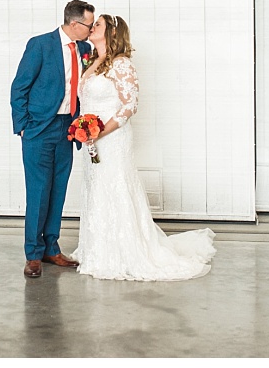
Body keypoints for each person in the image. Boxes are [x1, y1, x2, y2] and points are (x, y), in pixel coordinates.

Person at [71, 14, 216, 281]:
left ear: (112, 33)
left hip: (111, 139)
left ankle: (125, 252)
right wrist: (83, 130)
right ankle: (98, 250)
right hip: (90, 140)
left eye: (98, 25)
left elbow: (129, 106)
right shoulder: (93, 61)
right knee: (97, 187)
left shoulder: (121, 64)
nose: (92, 28)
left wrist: (99, 131)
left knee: (115, 186)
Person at [10, 0, 95, 278]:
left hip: (67, 129)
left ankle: (51, 248)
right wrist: (23, 126)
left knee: (58, 189)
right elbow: (19, 86)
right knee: (38, 191)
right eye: (89, 25)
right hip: (39, 128)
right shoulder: (40, 45)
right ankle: (33, 254)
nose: (92, 29)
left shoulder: (85, 49)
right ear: (74, 24)